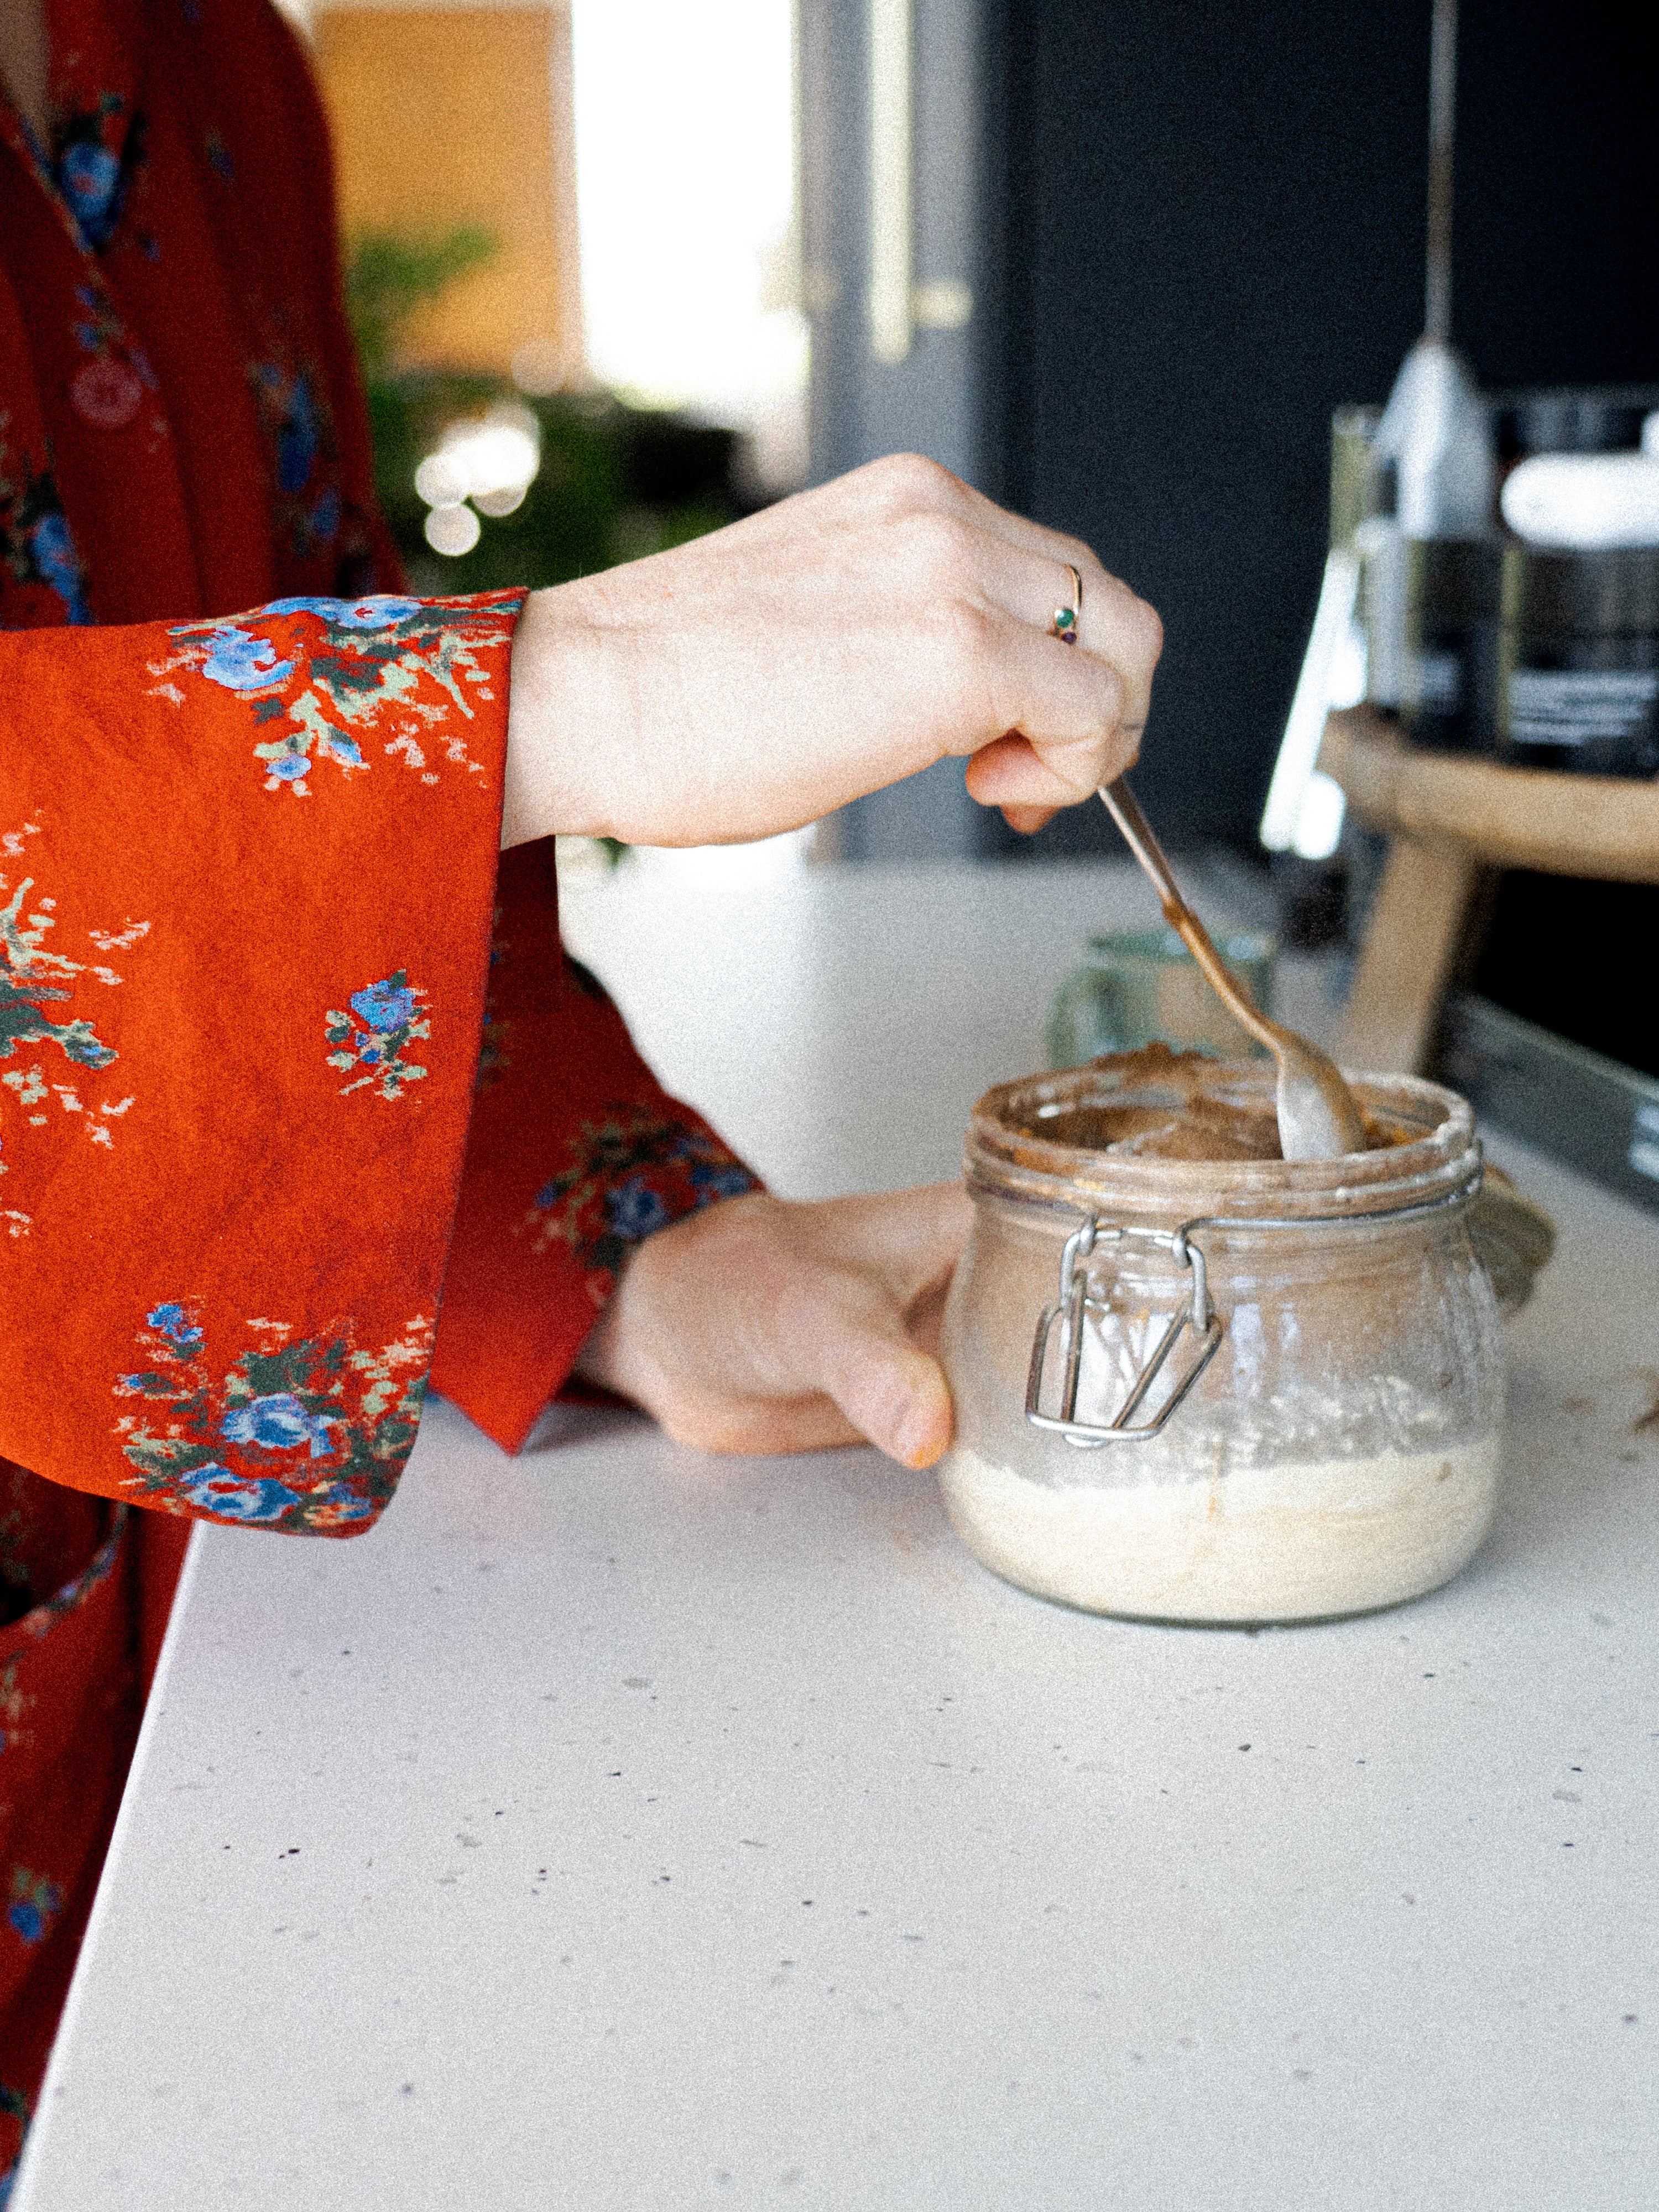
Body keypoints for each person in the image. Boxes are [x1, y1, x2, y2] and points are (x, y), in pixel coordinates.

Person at [0, 0, 1161, 2179]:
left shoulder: (214, 76)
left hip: (209, 1798)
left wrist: (620, 1247)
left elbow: (360, 938)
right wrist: (532, 699)